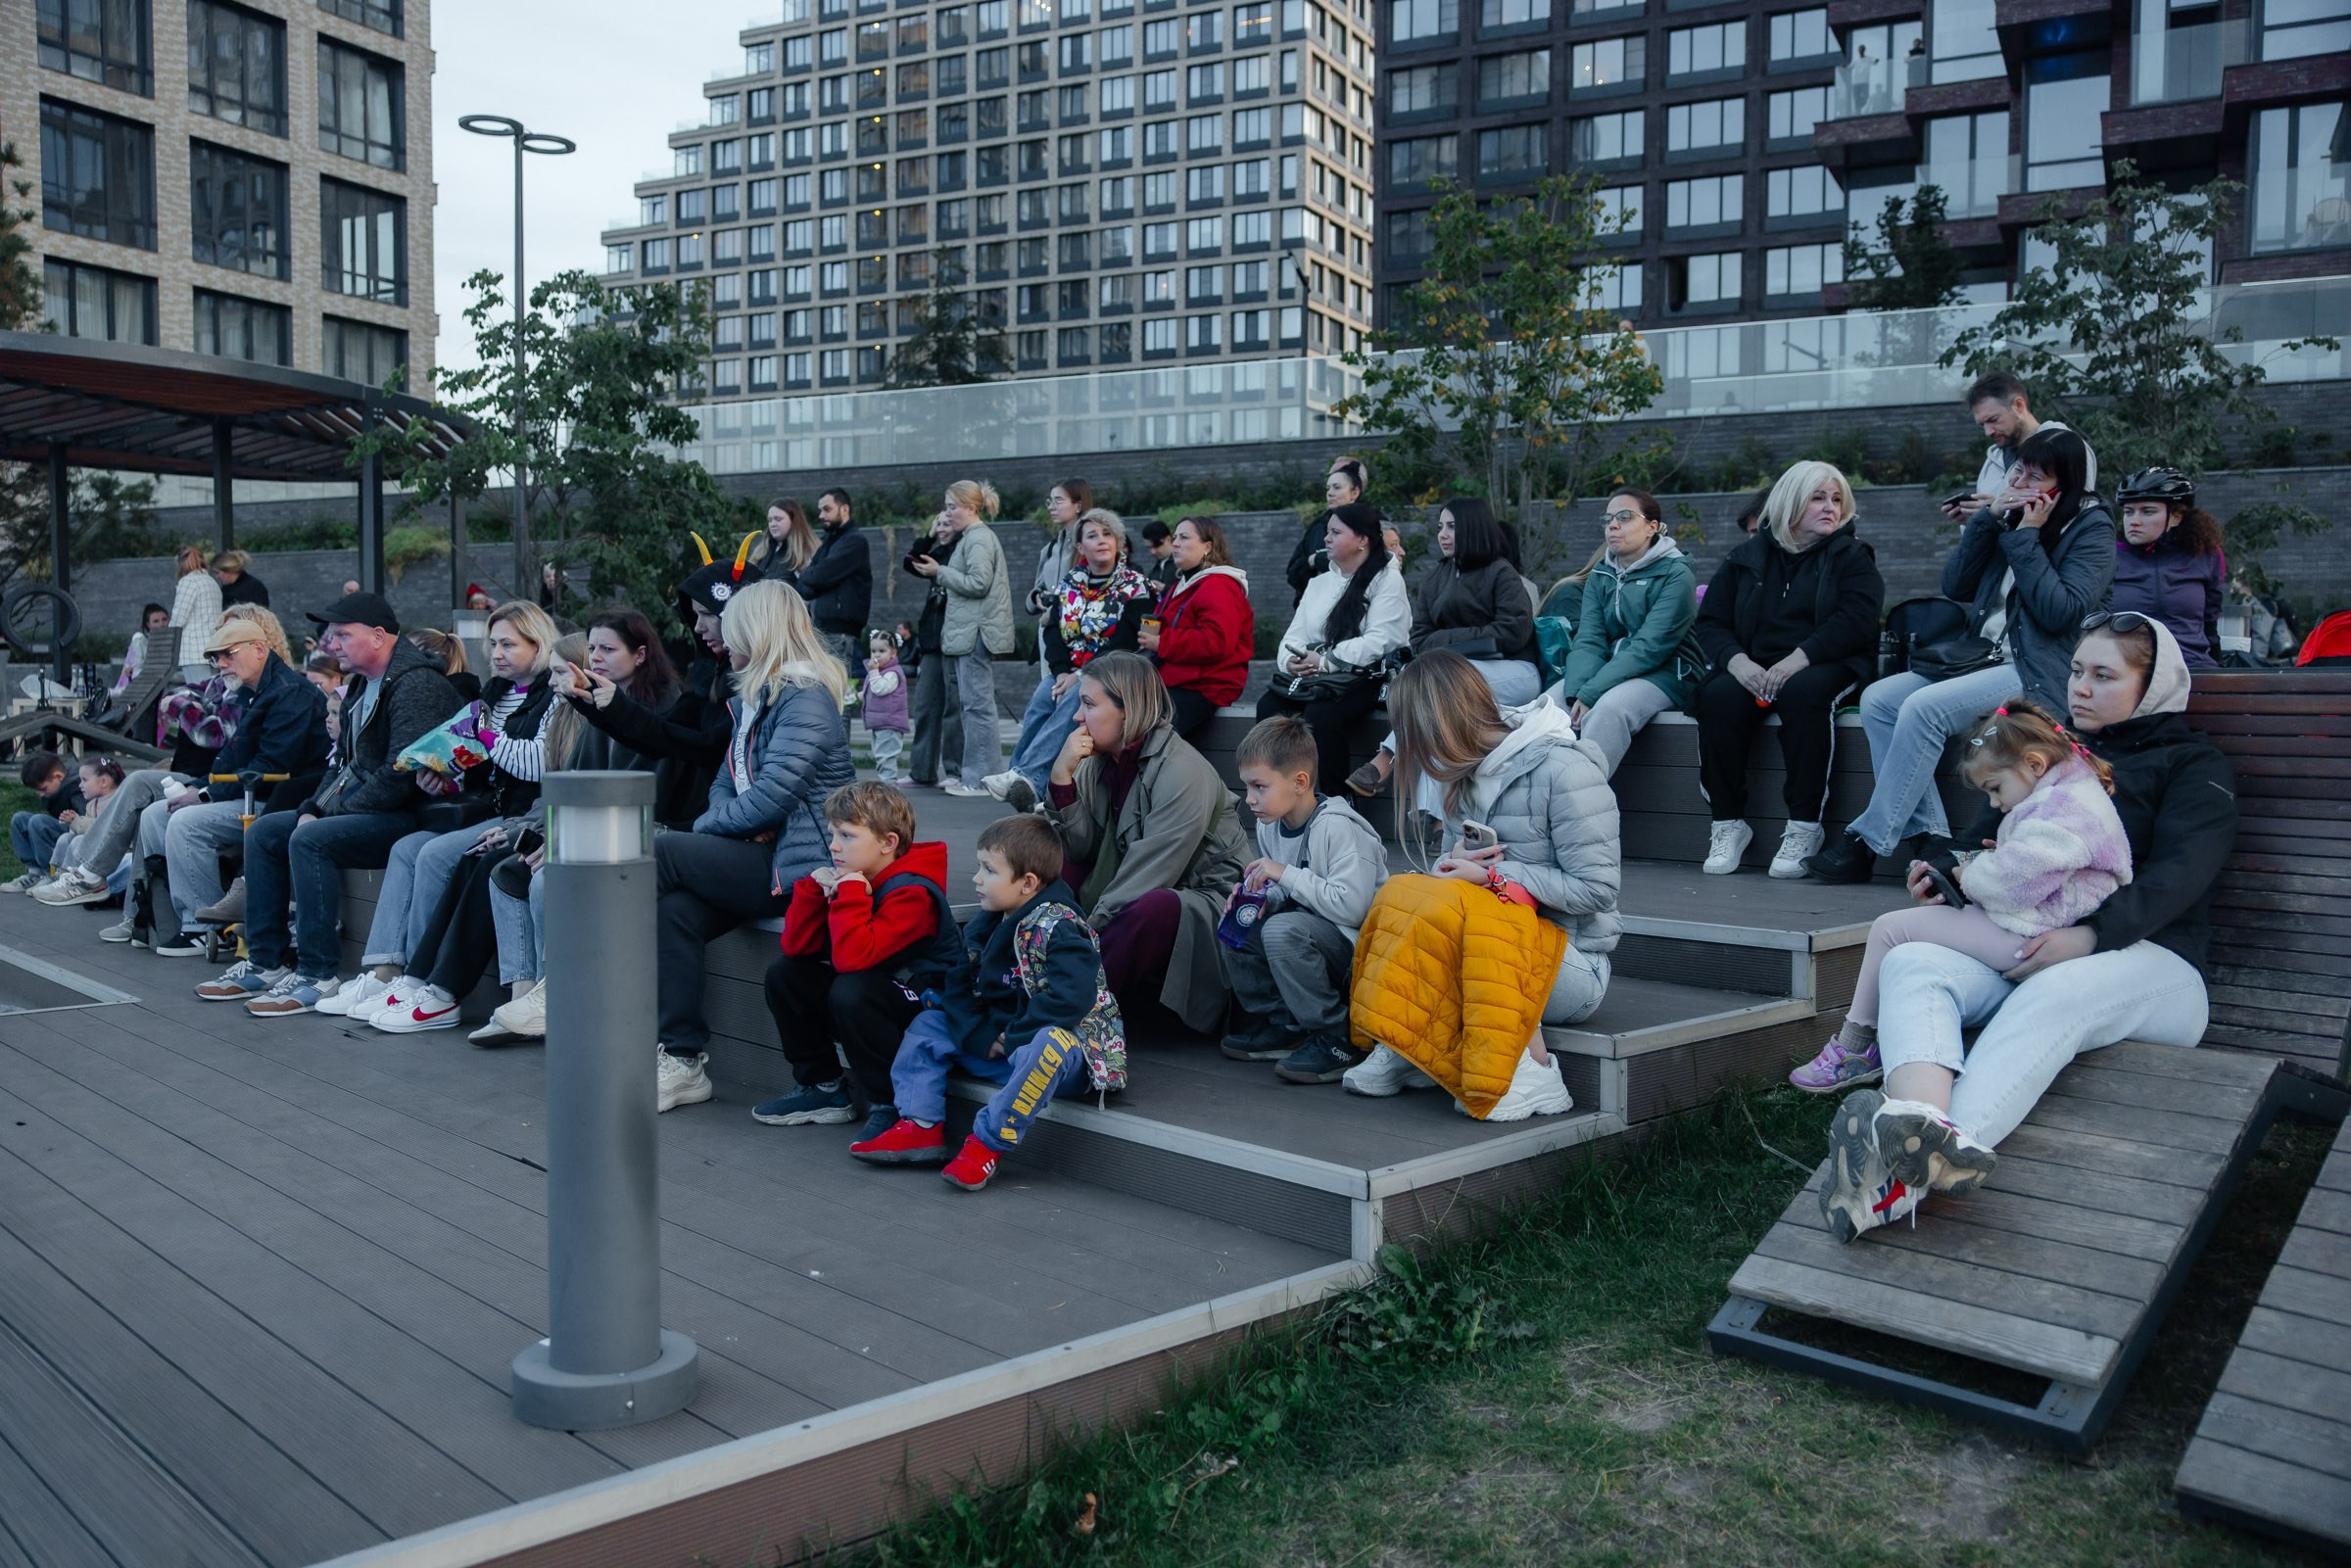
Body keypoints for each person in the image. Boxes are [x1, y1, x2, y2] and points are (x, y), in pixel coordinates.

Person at [1818, 613, 2234, 1241]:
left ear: (2152, 686)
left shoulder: (2192, 766)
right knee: (1910, 961)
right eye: (2077, 670)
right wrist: (1945, 874)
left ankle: (1900, 1175)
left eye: (2104, 676)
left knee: (2057, 990)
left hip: (2157, 965)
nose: (2080, 687)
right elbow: (1982, 839)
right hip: (2029, 946)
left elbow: (2181, 877)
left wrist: (2089, 938)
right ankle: (1913, 1135)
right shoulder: (2052, 753)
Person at [1809, 426, 2114, 883]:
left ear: (2063, 486)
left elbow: (2060, 613)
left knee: (1923, 709)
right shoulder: (2006, 518)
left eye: (2036, 477)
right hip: (1980, 657)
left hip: (2037, 667)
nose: (2021, 484)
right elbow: (1956, 586)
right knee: (1879, 700)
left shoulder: (2091, 529)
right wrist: (1988, 520)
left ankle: (1866, 843)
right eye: (2019, 471)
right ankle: (1932, 836)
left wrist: (2026, 538)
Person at [1791, 699, 2134, 1095]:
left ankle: (1857, 1048)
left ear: (2035, 764)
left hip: (2034, 939)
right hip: (2043, 925)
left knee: (1889, 929)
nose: (1995, 803)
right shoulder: (2066, 792)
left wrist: (1970, 874)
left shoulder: (2063, 808)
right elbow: (2036, 867)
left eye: (1995, 789)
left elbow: (2013, 885)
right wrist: (1992, 859)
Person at [1343, 650, 1619, 1119]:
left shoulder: (1565, 771)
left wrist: (1493, 877)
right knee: (1402, 893)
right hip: (1494, 952)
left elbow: (1598, 889)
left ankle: (1532, 1070)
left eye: (1416, 736)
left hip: (1573, 964)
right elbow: (1451, 878)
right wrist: (1453, 862)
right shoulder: (1462, 774)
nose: (1414, 751)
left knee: (1477, 915)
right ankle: (1406, 1040)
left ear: (1443, 724)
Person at [191, 593, 460, 1013]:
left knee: (309, 839)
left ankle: (317, 974)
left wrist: (326, 816)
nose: (331, 645)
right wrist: (312, 808)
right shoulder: (362, 685)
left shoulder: (417, 685)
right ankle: (265, 963)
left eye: (342, 635)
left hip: (410, 815)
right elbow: (343, 765)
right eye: (331, 635)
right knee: (265, 831)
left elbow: (400, 775)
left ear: (378, 637)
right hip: (369, 809)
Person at [655, 580, 857, 1113]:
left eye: (729, 626)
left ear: (757, 631)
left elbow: (770, 797)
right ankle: (682, 1060)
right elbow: (725, 783)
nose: (718, 636)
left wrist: (718, 825)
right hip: (760, 856)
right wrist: (733, 822)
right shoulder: (757, 697)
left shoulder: (805, 698)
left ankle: (569, 983)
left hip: (800, 865)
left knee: (661, 852)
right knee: (676, 912)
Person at [848, 813, 1125, 1192]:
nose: (976, 879)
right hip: (1002, 1047)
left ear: (1028, 883)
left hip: (1068, 1057)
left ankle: (987, 1145)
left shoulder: (1061, 927)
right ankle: (920, 1125)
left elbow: (1071, 999)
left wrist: (1012, 1036)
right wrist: (981, 1035)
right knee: (929, 1024)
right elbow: (957, 986)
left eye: (989, 870)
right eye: (979, 866)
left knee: (1049, 1045)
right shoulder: (987, 923)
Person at [326, 601, 562, 1027]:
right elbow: (478, 765)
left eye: (508, 644)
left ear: (539, 643)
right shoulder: (495, 693)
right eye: (493, 644)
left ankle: (424, 978)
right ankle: (388, 970)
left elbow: (537, 764)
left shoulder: (552, 695)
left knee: (436, 855)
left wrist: (483, 736)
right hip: (487, 809)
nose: (497, 654)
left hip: (522, 816)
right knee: (406, 849)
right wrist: (445, 778)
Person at [487, 612, 682, 1040]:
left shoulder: (662, 707)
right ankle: (527, 994)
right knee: (507, 872)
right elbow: (571, 784)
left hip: (652, 833)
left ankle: (558, 995)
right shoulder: (598, 704)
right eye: (592, 648)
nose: (595, 657)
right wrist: (551, 835)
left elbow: (646, 797)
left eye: (608, 649)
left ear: (640, 654)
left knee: (547, 879)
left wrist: (566, 840)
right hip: (597, 830)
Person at [1691, 461, 1888, 878]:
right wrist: (1738, 663)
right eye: (1818, 498)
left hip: (1826, 662)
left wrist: (1799, 658)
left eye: (1836, 499)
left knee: (1804, 694)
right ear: (1791, 503)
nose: (1830, 507)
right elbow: (1710, 622)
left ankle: (1804, 826)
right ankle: (1728, 823)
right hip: (1755, 664)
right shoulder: (1746, 557)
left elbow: (1857, 621)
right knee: (1718, 695)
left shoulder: (1853, 556)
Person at [1046, 651, 1249, 1033]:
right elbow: (1077, 850)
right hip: (1135, 886)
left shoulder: (1181, 770)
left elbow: (1150, 875)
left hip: (1207, 904)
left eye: (1089, 704)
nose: (1077, 717)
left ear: (1128, 710)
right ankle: (1025, 977)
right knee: (1054, 868)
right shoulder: (1098, 761)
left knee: (1154, 906)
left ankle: (1069, 1016)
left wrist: (1085, 937)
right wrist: (1061, 779)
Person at [751, 782, 962, 1132]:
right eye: (833, 834)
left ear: (888, 843)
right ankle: (824, 1087)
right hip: (879, 1000)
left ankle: (889, 1102)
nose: (833, 846)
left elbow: (854, 960)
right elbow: (797, 947)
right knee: (786, 974)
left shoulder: (914, 894)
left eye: (847, 836)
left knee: (852, 989)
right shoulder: (858, 878)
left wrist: (849, 893)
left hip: (930, 1009)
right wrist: (813, 890)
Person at [136, 617, 331, 944]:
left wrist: (205, 793)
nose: (220, 664)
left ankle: (204, 929)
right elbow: (233, 759)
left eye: (228, 654)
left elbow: (271, 766)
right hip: (256, 793)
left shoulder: (290, 692)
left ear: (259, 650)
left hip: (282, 802)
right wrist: (199, 786)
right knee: (156, 814)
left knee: (185, 823)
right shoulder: (251, 691)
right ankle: (185, 918)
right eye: (215, 657)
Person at [1218, 716, 1386, 1084]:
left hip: (1359, 952)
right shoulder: (1270, 823)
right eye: (1247, 786)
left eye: (1260, 786)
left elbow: (1354, 909)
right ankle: (1285, 1025)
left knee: (1280, 930)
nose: (1250, 798)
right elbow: (1289, 888)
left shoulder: (1337, 826)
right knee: (1239, 921)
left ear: (1299, 782)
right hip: (1308, 938)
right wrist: (1262, 897)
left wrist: (1284, 875)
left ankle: (1337, 1037)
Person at [1339, 496, 1543, 797]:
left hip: (1515, 671)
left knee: (1441, 682)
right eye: (1440, 527)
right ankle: (1431, 815)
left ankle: (1386, 758)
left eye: (1452, 527)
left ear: (1472, 528)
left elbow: (1512, 632)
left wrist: (1447, 641)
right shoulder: (1437, 577)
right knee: (1437, 704)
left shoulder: (1502, 573)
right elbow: (1419, 638)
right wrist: (1462, 642)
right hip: (1452, 677)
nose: (1442, 535)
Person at [573, 534, 764, 829]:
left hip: (737, 824)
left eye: (707, 614)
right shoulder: (708, 680)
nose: (698, 627)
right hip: (713, 819)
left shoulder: (766, 684)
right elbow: (658, 737)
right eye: (695, 616)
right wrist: (594, 704)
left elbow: (704, 747)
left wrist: (615, 705)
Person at [987, 507, 1156, 812]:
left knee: (1074, 697)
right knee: (1042, 696)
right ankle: (1018, 776)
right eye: (1092, 535)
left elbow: (1126, 638)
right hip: (1070, 671)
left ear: (1118, 542)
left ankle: (1029, 778)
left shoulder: (1136, 585)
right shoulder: (1070, 583)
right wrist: (1063, 671)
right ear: (1080, 547)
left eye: (1108, 534)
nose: (1101, 540)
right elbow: (1053, 629)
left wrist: (1080, 675)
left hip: (1110, 671)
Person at [1549, 488, 1705, 777]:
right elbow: (1589, 640)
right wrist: (1575, 695)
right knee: (1548, 707)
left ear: (1651, 527)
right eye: (1608, 519)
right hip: (1610, 667)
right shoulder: (1601, 573)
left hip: (1668, 671)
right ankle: (1543, 793)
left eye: (1624, 517)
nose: (1613, 525)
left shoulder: (1676, 573)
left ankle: (1584, 793)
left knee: (1608, 710)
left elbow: (1651, 646)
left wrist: (1591, 693)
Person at [1256, 502, 1410, 798]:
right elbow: (1293, 636)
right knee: (1268, 706)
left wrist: (1327, 661)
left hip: (1366, 676)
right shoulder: (1318, 583)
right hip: (1316, 677)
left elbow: (1382, 639)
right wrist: (1292, 661)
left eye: (1336, 533)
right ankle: (1276, 795)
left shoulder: (1387, 579)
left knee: (1321, 713)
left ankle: (1337, 801)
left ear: (1362, 540)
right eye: (1327, 532)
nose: (1326, 538)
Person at [909, 480, 1014, 797]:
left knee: (976, 707)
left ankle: (980, 778)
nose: (947, 513)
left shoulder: (978, 538)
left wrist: (939, 572)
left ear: (970, 508)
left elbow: (979, 583)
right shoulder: (974, 537)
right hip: (970, 633)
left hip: (974, 633)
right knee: (972, 706)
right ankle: (979, 776)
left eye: (952, 506)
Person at [1141, 516, 1253, 743]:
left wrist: (1162, 642)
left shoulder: (1219, 585)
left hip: (1203, 687)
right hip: (1172, 682)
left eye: (1184, 537)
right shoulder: (1182, 585)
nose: (1175, 543)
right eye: (1175, 537)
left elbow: (1216, 642)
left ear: (1207, 547)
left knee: (1146, 741)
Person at [2111, 466, 2225, 669]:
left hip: (2191, 667)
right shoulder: (2109, 555)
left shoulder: (2206, 554)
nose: (2134, 521)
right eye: (2128, 512)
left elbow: (2210, 623)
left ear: (2176, 517)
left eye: (2147, 511)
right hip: (2126, 669)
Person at [904, 513, 963, 786]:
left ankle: (954, 771)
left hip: (954, 638)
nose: (941, 529)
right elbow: (909, 562)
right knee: (925, 706)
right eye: (938, 524)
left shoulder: (963, 550)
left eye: (946, 524)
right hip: (930, 640)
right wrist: (928, 536)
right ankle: (921, 771)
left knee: (953, 708)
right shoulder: (935, 552)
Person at [797, 488, 875, 683]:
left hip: (840, 631)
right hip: (822, 628)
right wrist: (811, 579)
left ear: (844, 509)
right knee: (823, 687)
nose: (821, 515)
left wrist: (812, 578)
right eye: (820, 510)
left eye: (827, 509)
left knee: (836, 688)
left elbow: (820, 575)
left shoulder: (854, 542)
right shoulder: (829, 543)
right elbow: (808, 581)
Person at [1285, 457, 1367, 603]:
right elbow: (1293, 574)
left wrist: (1317, 559)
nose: (1330, 493)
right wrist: (1311, 562)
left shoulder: (1370, 524)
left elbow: (1363, 566)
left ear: (1355, 492)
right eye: (1328, 488)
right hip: (1315, 608)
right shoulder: (1318, 527)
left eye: (1337, 487)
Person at [4, 751, 83, 893]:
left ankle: (52, 874)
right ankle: (35, 872)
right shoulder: (57, 787)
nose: (40, 794)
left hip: (76, 833)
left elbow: (86, 820)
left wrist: (74, 820)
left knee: (38, 822)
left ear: (58, 776)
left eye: (43, 789)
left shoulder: (75, 787)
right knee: (19, 819)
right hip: (63, 826)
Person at [861, 630, 911, 783]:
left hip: (890, 723)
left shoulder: (892, 673)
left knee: (886, 757)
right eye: (873, 651)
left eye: (882, 651)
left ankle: (889, 787)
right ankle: (887, 786)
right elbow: (873, 690)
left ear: (893, 653)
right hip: (881, 723)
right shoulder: (880, 672)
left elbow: (880, 689)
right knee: (881, 755)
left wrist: (873, 672)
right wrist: (859, 695)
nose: (876, 655)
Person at [170, 543, 225, 678]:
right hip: (213, 648)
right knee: (212, 689)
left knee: (198, 689)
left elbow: (178, 619)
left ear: (180, 563)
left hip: (193, 652)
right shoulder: (212, 582)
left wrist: (168, 640)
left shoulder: (188, 582)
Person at [753, 498, 818, 583]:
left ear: (793, 520)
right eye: (770, 520)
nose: (772, 524)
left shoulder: (806, 553)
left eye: (778, 519)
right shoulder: (762, 551)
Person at [112, 603, 170, 694]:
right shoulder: (141, 641)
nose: (161, 624)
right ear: (148, 624)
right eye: (156, 621)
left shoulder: (175, 641)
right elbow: (138, 672)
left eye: (164, 619)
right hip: (146, 691)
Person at [1138, 519, 1178, 592]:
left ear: (1168, 539)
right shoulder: (1155, 569)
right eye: (1149, 547)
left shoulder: (1182, 564)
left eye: (1156, 546)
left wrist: (1164, 589)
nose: (1153, 552)